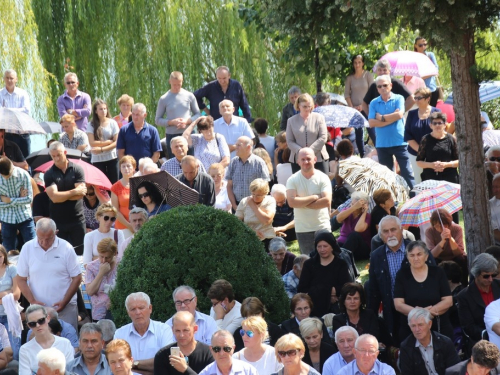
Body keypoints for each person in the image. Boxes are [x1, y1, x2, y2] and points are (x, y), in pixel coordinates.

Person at [368, 216, 436, 339]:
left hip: (421, 309)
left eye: (393, 230)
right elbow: (373, 290)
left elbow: (434, 278)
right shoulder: (376, 256)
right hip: (392, 311)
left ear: (401, 230)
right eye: (385, 231)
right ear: (380, 235)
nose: (390, 234)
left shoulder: (419, 251)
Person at [16, 219, 82, 330]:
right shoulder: (27, 248)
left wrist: (64, 302)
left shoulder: (66, 247)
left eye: (49, 238)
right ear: (35, 231)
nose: (44, 242)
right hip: (38, 312)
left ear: (56, 232)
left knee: (68, 340)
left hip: (66, 309)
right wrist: (32, 301)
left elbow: (77, 277)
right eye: (40, 238)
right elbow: (21, 279)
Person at [394, 240, 453, 344]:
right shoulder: (402, 275)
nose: (415, 258)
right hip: (411, 329)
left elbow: (448, 301)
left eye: (419, 254)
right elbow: (398, 304)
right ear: (407, 258)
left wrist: (427, 314)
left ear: (426, 256)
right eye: (411, 255)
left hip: (438, 326)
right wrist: (419, 316)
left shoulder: (438, 272)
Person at [368, 74, 415, 189]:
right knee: (387, 176)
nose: (382, 88)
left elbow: (399, 115)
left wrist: (381, 118)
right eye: (379, 86)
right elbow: (371, 123)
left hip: (400, 142)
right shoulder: (374, 102)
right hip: (382, 144)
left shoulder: (399, 98)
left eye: (385, 85)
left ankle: (414, 198)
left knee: (407, 173)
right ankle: (391, 203)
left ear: (391, 85)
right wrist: (391, 118)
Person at [113, 292, 174, 374]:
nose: (138, 312)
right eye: (133, 309)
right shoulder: (120, 334)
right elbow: (118, 365)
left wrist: (131, 364)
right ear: (128, 313)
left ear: (150, 308)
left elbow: (166, 361)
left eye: (141, 308)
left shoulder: (163, 330)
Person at [286, 147, 332, 254]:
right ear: (298, 161)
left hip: (322, 226)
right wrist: (314, 197)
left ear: (315, 159)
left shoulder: (323, 178)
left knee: (327, 259)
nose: (306, 162)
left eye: (308, 159)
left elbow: (326, 201)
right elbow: (291, 202)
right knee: (307, 262)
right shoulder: (292, 180)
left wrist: (300, 202)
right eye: (302, 159)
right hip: (303, 229)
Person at [44, 141, 87, 255]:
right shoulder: (49, 174)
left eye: (59, 155)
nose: (56, 159)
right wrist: (74, 191)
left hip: (77, 219)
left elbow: (81, 194)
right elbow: (54, 198)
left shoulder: (77, 169)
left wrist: (61, 195)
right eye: (53, 156)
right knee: (59, 254)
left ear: (65, 152)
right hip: (58, 221)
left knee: (81, 253)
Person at [298, 231, 353, 317]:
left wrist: (321, 290)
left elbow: (346, 287)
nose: (322, 249)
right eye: (319, 246)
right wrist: (329, 293)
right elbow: (302, 289)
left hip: (337, 307)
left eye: (325, 246)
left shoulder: (341, 264)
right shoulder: (309, 264)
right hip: (314, 307)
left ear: (332, 247)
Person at [399, 307, 460, 375]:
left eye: (420, 325)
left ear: (429, 324)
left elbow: (455, 370)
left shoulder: (445, 343)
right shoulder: (406, 347)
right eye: (413, 326)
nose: (417, 329)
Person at [457, 253, 500, 347]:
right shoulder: (464, 296)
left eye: (494, 275)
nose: (490, 279)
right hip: (481, 343)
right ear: (476, 274)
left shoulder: (499, 285)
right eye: (486, 276)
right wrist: (489, 334)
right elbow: (468, 327)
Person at [155, 71, 201, 159]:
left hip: (188, 133)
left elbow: (198, 114)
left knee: (191, 160)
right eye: (174, 84)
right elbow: (157, 120)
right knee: (174, 161)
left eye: (179, 84)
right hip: (172, 135)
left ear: (182, 81)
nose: (176, 87)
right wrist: (171, 122)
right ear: (169, 82)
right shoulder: (164, 98)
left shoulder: (189, 96)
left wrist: (187, 121)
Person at [19, 305, 74, 374]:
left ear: (48, 318)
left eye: (41, 321)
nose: (38, 325)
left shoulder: (65, 343)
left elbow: (70, 371)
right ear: (28, 326)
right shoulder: (25, 350)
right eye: (32, 324)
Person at [155, 311, 214, 375]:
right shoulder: (163, 355)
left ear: (195, 329)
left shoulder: (208, 354)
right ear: (172, 330)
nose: (181, 335)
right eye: (177, 331)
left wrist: (185, 369)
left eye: (185, 330)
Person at [404, 87, 441, 183]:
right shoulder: (411, 114)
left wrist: (429, 152)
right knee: (418, 181)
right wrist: (421, 151)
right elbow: (408, 135)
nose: (416, 100)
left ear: (428, 98)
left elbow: (440, 133)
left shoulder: (436, 112)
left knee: (434, 182)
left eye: (419, 98)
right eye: (415, 98)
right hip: (415, 154)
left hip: (434, 154)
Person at [286, 94, 329, 173]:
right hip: (298, 159)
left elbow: (323, 137)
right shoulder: (291, 121)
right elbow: (289, 141)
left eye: (309, 106)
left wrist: (310, 151)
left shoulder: (319, 118)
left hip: (319, 157)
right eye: (304, 106)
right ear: (299, 105)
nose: (307, 109)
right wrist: (301, 152)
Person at [0, 156, 35, 251]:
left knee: (33, 247)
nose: (7, 178)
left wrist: (8, 200)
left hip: (24, 216)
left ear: (12, 166)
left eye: (9, 175)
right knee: (7, 251)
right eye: (4, 176)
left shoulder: (23, 174)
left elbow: (28, 199)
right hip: (7, 219)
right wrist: (19, 198)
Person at [226, 136, 270, 210]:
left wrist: (257, 206)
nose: (235, 147)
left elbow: (265, 186)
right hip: (237, 205)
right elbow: (229, 185)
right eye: (236, 145)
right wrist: (234, 205)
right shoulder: (233, 162)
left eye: (238, 145)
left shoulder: (259, 163)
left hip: (255, 206)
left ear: (248, 147)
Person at [344, 54, 375, 155]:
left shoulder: (368, 75)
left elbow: (372, 92)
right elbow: (347, 94)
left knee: (371, 131)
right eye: (355, 63)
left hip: (366, 107)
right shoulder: (350, 78)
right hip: (354, 109)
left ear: (363, 63)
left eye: (359, 62)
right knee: (358, 133)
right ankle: (362, 155)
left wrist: (363, 105)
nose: (357, 65)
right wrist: (352, 107)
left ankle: (379, 151)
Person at [331, 283, 379, 347]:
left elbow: (373, 337)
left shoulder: (370, 315)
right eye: (349, 298)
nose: (352, 302)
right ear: (344, 301)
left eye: (356, 298)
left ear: (361, 301)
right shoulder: (338, 319)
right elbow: (340, 342)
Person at [425, 208, 467, 282]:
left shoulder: (457, 228)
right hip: (439, 258)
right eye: (436, 225)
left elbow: (459, 252)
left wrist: (450, 239)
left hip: (454, 257)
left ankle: (463, 285)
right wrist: (442, 241)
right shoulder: (430, 231)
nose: (440, 228)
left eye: (443, 225)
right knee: (430, 261)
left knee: (462, 259)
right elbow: (432, 254)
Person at [417, 112, 459, 185]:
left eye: (440, 123)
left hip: (450, 178)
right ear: (430, 125)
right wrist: (432, 165)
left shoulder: (451, 139)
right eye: (434, 123)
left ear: (445, 124)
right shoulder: (425, 139)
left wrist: (445, 165)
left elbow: (459, 161)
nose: (437, 125)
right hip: (430, 179)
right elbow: (419, 161)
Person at [85, 238, 119, 321]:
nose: (103, 261)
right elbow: (90, 291)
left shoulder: (121, 265)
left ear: (114, 254)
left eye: (107, 258)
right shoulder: (91, 267)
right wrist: (101, 273)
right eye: (101, 257)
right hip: (98, 313)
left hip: (117, 312)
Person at [87, 99, 120, 184]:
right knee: (101, 185)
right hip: (97, 159)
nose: (103, 111)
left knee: (114, 183)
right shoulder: (90, 124)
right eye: (101, 109)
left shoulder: (113, 123)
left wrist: (101, 149)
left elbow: (116, 142)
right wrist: (108, 142)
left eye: (105, 108)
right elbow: (92, 143)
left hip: (112, 157)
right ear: (96, 111)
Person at [235, 178, 276, 246]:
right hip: (249, 237)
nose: (255, 197)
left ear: (265, 193)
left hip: (267, 238)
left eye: (258, 195)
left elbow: (267, 220)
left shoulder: (270, 200)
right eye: (253, 194)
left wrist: (253, 205)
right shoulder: (244, 201)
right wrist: (251, 231)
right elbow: (236, 222)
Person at [1, 69, 31, 157]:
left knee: (26, 159)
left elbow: (26, 110)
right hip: (6, 134)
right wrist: (17, 111)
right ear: (4, 79)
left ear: (16, 79)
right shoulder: (0, 94)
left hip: (21, 133)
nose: (9, 80)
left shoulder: (23, 94)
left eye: (11, 78)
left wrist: (8, 110)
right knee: (6, 160)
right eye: (7, 78)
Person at [335, 191, 372, 260]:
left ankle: (341, 259)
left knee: (354, 235)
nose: (353, 206)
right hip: (343, 245)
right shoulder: (347, 211)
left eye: (356, 205)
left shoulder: (367, 216)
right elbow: (338, 219)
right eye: (352, 204)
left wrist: (364, 212)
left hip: (360, 249)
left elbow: (358, 229)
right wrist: (353, 208)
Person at [0, 245, 20, 359]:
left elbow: (16, 294)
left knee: (15, 349)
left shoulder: (12, 269)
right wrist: (7, 293)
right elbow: (12, 293)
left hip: (10, 315)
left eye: (0, 256)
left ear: (4, 256)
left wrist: (5, 295)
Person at [111, 155, 136, 235]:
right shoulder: (115, 187)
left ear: (134, 168)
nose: (126, 168)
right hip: (123, 227)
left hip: (139, 223)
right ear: (120, 169)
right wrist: (129, 225)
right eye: (123, 166)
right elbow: (116, 210)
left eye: (128, 166)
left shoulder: (139, 183)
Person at [414, 36, 439, 106]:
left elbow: (436, 70)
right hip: (419, 90)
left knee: (432, 112)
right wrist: (430, 73)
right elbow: (414, 75)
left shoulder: (430, 55)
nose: (423, 47)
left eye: (425, 44)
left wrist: (422, 76)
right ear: (415, 46)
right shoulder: (413, 58)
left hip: (431, 88)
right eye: (420, 45)